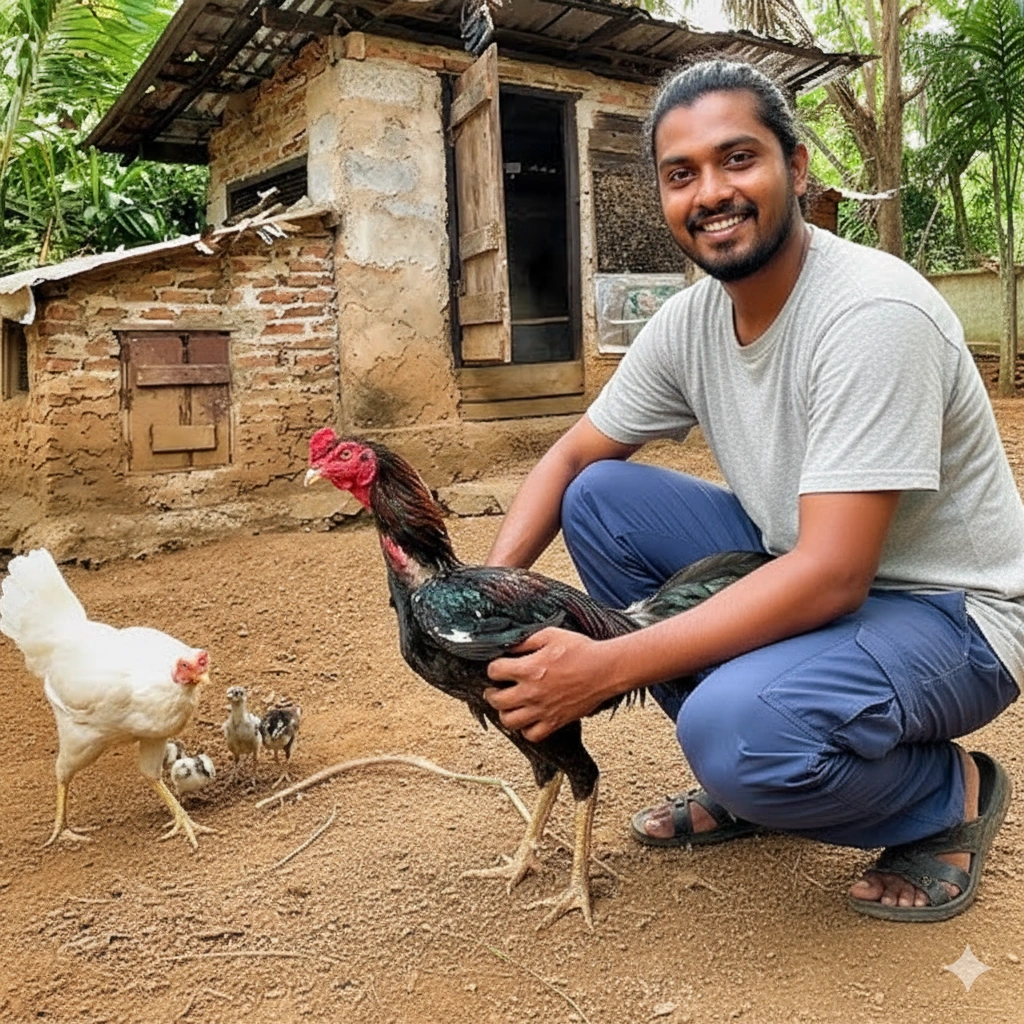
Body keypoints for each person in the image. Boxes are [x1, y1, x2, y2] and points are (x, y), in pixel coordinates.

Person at [481, 59, 1024, 921]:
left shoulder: (872, 314)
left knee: (738, 732)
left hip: (951, 615)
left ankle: (942, 797)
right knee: (601, 499)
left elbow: (836, 576)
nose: (711, 193)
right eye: (681, 173)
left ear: (797, 169)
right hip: (803, 569)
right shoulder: (691, 321)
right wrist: (477, 605)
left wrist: (606, 667)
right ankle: (759, 773)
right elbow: (570, 460)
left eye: (739, 159)